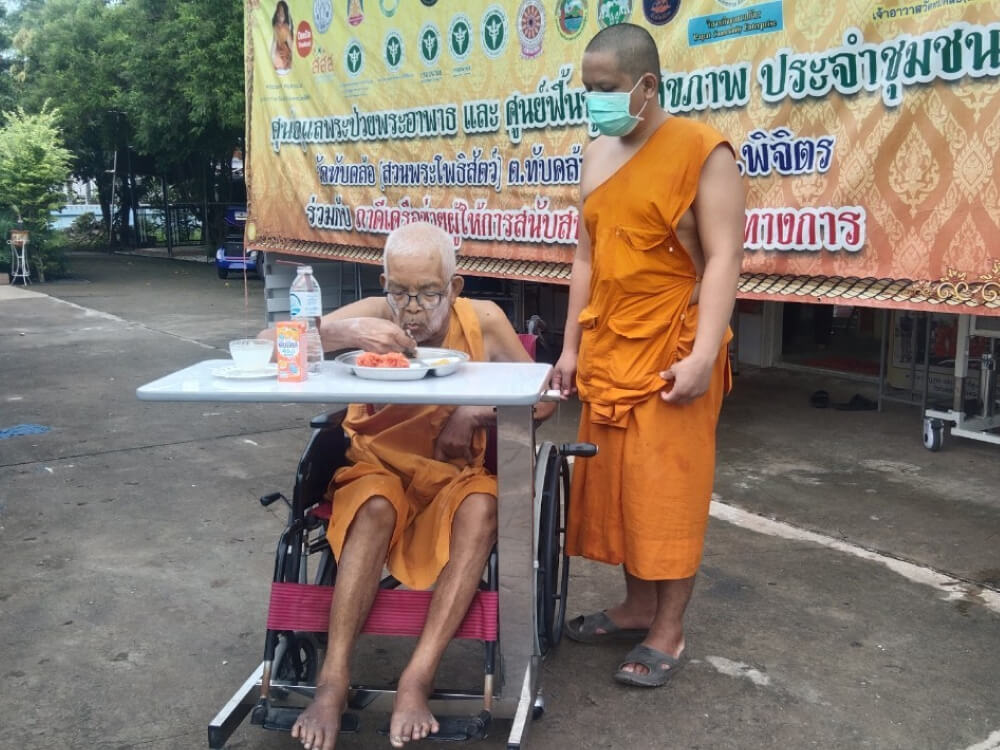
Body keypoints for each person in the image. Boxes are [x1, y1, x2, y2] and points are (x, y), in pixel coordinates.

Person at [285, 222, 554, 750]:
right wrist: (345, 334)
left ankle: (418, 677)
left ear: (453, 288)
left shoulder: (484, 320)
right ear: (384, 282)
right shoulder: (372, 314)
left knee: (484, 505)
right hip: (377, 468)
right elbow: (278, 342)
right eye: (399, 291)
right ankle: (333, 680)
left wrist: (476, 412)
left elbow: (543, 400)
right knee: (375, 504)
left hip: (453, 476)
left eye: (428, 293)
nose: (411, 309)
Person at [550, 24, 745, 688]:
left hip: (673, 349)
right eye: (588, 90)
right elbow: (586, 257)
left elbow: (723, 259)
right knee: (619, 490)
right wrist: (571, 347)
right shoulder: (597, 153)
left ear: (646, 86)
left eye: (605, 89)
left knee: (668, 493)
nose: (595, 102)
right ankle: (636, 605)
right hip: (609, 346)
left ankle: (669, 629)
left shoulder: (702, 151)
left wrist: (701, 354)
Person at [271, 1, 293, 71]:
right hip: (277, 57)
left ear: (285, 14)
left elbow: (291, 46)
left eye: (282, 13)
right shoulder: (275, 27)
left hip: (285, 57)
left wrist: (290, 58)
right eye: (278, 12)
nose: (280, 15)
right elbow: (274, 43)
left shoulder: (286, 28)